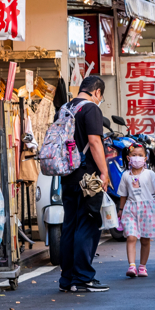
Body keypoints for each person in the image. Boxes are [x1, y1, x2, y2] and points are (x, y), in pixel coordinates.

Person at [58, 76, 111, 293]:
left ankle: (67, 279)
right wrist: (104, 172)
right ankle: (83, 277)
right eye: (101, 96)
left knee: (69, 225)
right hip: (88, 176)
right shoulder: (91, 109)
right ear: (97, 92)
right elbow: (94, 141)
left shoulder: (63, 109)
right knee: (88, 223)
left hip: (67, 175)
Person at [118, 144, 155, 278]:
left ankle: (142, 266)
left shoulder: (149, 174)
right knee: (131, 237)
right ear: (128, 158)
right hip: (131, 208)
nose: (137, 158)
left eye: (140, 155)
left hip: (147, 210)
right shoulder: (125, 175)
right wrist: (121, 210)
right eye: (134, 155)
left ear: (145, 158)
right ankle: (132, 265)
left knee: (145, 240)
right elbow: (123, 194)